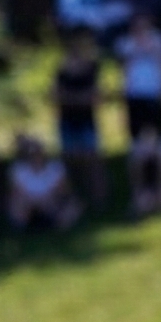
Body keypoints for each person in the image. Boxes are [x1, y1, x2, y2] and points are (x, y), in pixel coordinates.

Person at [53, 29, 106, 208]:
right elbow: (56, 96)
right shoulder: (62, 71)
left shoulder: (91, 69)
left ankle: (100, 202)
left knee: (93, 161)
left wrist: (70, 97)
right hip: (68, 123)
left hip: (86, 122)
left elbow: (95, 97)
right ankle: (74, 201)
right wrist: (80, 98)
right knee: (70, 162)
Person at [117, 10, 161, 146]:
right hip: (134, 93)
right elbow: (124, 67)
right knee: (137, 130)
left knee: (160, 129)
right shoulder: (126, 42)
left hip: (154, 91)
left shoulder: (159, 40)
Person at [5, 134, 81, 232]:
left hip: (52, 203)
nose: (36, 155)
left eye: (38, 150)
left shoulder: (56, 168)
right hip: (28, 204)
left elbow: (65, 189)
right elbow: (16, 192)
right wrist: (35, 201)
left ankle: (56, 226)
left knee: (74, 205)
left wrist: (48, 199)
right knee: (17, 204)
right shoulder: (18, 170)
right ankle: (26, 227)